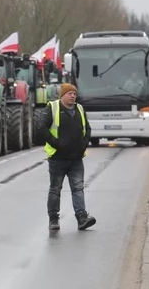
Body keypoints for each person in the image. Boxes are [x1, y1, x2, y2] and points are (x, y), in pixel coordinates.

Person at [37, 83, 96, 231]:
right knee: (55, 189)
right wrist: (56, 144)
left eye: (74, 94)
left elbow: (87, 128)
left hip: (76, 158)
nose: (73, 96)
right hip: (58, 159)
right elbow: (41, 128)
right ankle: (53, 219)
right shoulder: (52, 107)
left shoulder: (80, 109)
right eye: (69, 93)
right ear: (62, 95)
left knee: (78, 188)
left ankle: (82, 218)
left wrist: (83, 144)